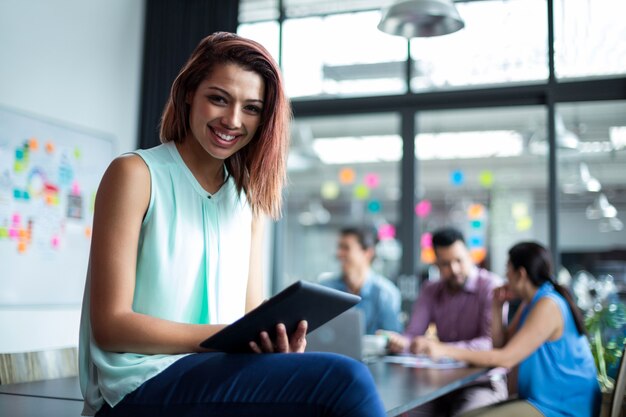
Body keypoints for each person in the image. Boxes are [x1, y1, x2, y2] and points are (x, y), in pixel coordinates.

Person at [78, 32, 386, 417]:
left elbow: (250, 316)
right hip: (137, 387)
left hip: (214, 377)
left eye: (252, 108)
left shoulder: (248, 202)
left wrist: (271, 343)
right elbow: (110, 326)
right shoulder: (135, 174)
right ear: (190, 93)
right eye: (218, 99)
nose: (233, 121)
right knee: (346, 381)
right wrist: (225, 340)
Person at [421, 242, 602, 417]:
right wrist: (496, 307)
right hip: (541, 401)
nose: (505, 278)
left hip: (562, 407)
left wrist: (444, 350)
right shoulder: (530, 303)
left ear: (520, 274)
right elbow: (500, 346)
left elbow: (506, 359)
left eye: (508, 271)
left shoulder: (548, 304)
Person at [384, 227, 507, 417]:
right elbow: (413, 334)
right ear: (436, 264)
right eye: (445, 264)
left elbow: (490, 343)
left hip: (481, 383)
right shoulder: (430, 289)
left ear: (469, 254)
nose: (454, 269)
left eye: (459, 260)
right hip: (438, 385)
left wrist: (442, 349)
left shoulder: (490, 286)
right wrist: (402, 342)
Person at [320, 226, 402, 334]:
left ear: (367, 253)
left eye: (346, 248)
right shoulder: (326, 290)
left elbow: (393, 336)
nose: (339, 254)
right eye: (339, 247)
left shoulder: (386, 293)